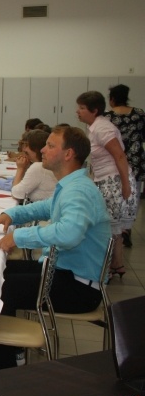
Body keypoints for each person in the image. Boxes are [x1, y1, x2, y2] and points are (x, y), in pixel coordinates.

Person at [0, 126, 111, 370]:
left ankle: (0, 370)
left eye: (51, 146)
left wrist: (19, 237)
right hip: (65, 272)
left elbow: (69, 233)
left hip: (79, 288)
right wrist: (11, 214)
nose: (43, 149)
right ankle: (9, 356)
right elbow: (44, 208)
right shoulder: (72, 185)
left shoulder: (79, 191)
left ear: (68, 154)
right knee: (0, 274)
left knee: (0, 289)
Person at [76, 91, 136, 278]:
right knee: (112, 227)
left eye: (82, 108)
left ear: (94, 110)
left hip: (114, 181)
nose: (78, 111)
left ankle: (107, 267)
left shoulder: (102, 128)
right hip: (107, 180)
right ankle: (117, 264)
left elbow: (119, 156)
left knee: (108, 227)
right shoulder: (95, 127)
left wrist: (125, 185)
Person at [106, 84, 144, 248]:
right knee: (133, 195)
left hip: (113, 161)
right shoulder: (139, 114)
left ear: (112, 99)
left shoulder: (107, 117)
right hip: (134, 161)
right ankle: (127, 229)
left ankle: (115, 229)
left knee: (114, 196)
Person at [0, 129, 56, 202]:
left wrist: (20, 169)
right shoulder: (46, 165)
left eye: (26, 152)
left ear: (37, 150)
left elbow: (16, 194)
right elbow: (24, 182)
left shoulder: (38, 167)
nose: (24, 155)